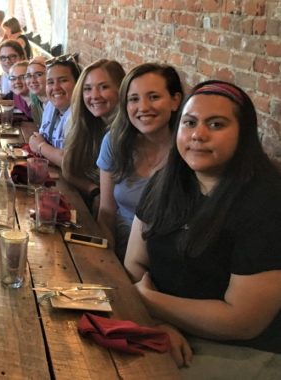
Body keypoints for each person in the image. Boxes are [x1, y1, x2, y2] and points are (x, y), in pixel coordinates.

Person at [124, 81, 281, 376]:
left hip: (241, 351)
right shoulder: (165, 182)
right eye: (190, 123)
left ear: (243, 135)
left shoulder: (266, 202)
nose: (198, 134)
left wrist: (149, 301)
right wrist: (160, 323)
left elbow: (243, 320)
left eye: (216, 124)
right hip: (161, 324)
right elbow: (135, 261)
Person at [97, 63, 183, 259]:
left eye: (154, 97)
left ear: (175, 100)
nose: (143, 107)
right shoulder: (115, 141)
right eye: (133, 99)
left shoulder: (188, 151)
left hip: (163, 259)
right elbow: (106, 211)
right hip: (118, 249)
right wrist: (107, 262)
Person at [62, 59, 125, 213]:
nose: (94, 95)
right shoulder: (85, 125)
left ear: (121, 89)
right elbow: (69, 170)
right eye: (87, 89)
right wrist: (94, 190)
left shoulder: (124, 135)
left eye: (104, 87)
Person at [28, 55, 81, 167]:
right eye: (50, 82)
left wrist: (41, 146)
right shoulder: (50, 107)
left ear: (78, 84)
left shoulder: (81, 116)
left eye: (63, 80)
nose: (55, 87)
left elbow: (69, 163)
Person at [25, 56, 48, 126]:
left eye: (38, 74)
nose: (32, 80)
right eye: (28, 76)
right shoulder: (35, 101)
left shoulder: (57, 104)